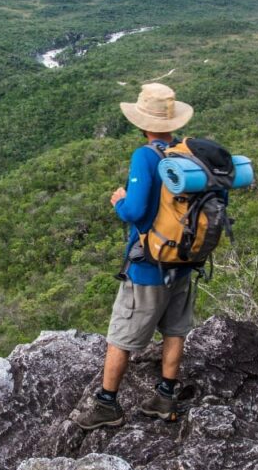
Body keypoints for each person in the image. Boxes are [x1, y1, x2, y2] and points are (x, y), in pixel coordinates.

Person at [73, 82, 196, 430]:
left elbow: (137, 211)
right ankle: (165, 397)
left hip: (149, 266)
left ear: (143, 122)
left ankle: (107, 404)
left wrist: (119, 202)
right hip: (183, 262)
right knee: (174, 330)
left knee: (121, 336)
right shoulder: (185, 154)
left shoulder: (146, 156)